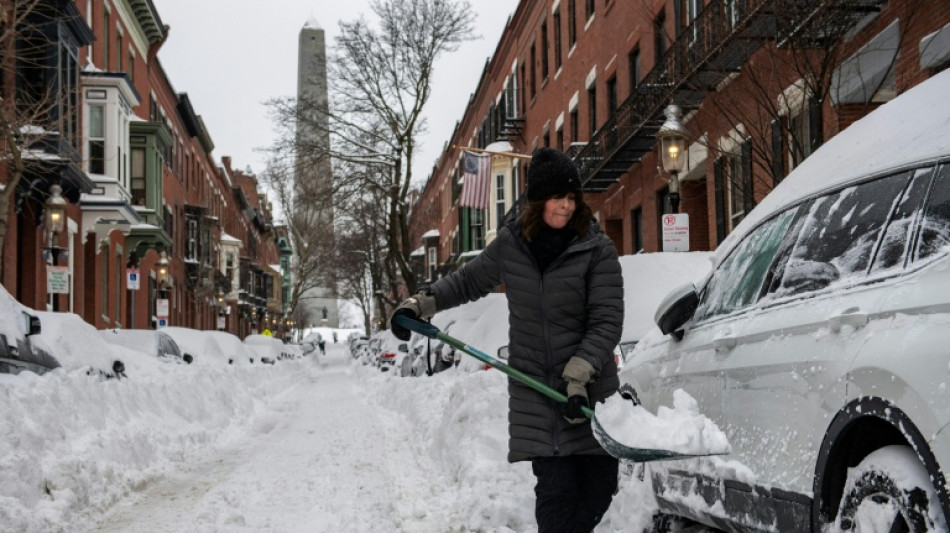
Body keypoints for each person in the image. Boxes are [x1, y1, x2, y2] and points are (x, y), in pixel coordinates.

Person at [391, 147, 624, 532]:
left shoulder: (596, 248)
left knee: (599, 491)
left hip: (587, 394)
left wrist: (579, 375)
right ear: (537, 201)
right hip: (539, 401)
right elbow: (467, 281)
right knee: (556, 496)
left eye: (570, 198)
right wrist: (420, 305)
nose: (565, 207)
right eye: (556, 198)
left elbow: (606, 320)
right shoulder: (513, 246)